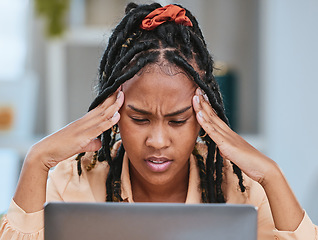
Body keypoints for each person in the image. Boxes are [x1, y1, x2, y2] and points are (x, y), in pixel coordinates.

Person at [0, 2, 317, 239]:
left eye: (178, 120)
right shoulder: (75, 181)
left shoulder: (241, 186)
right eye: (139, 118)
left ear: (202, 116)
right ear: (114, 111)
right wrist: (37, 160)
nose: (158, 141)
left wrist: (272, 175)